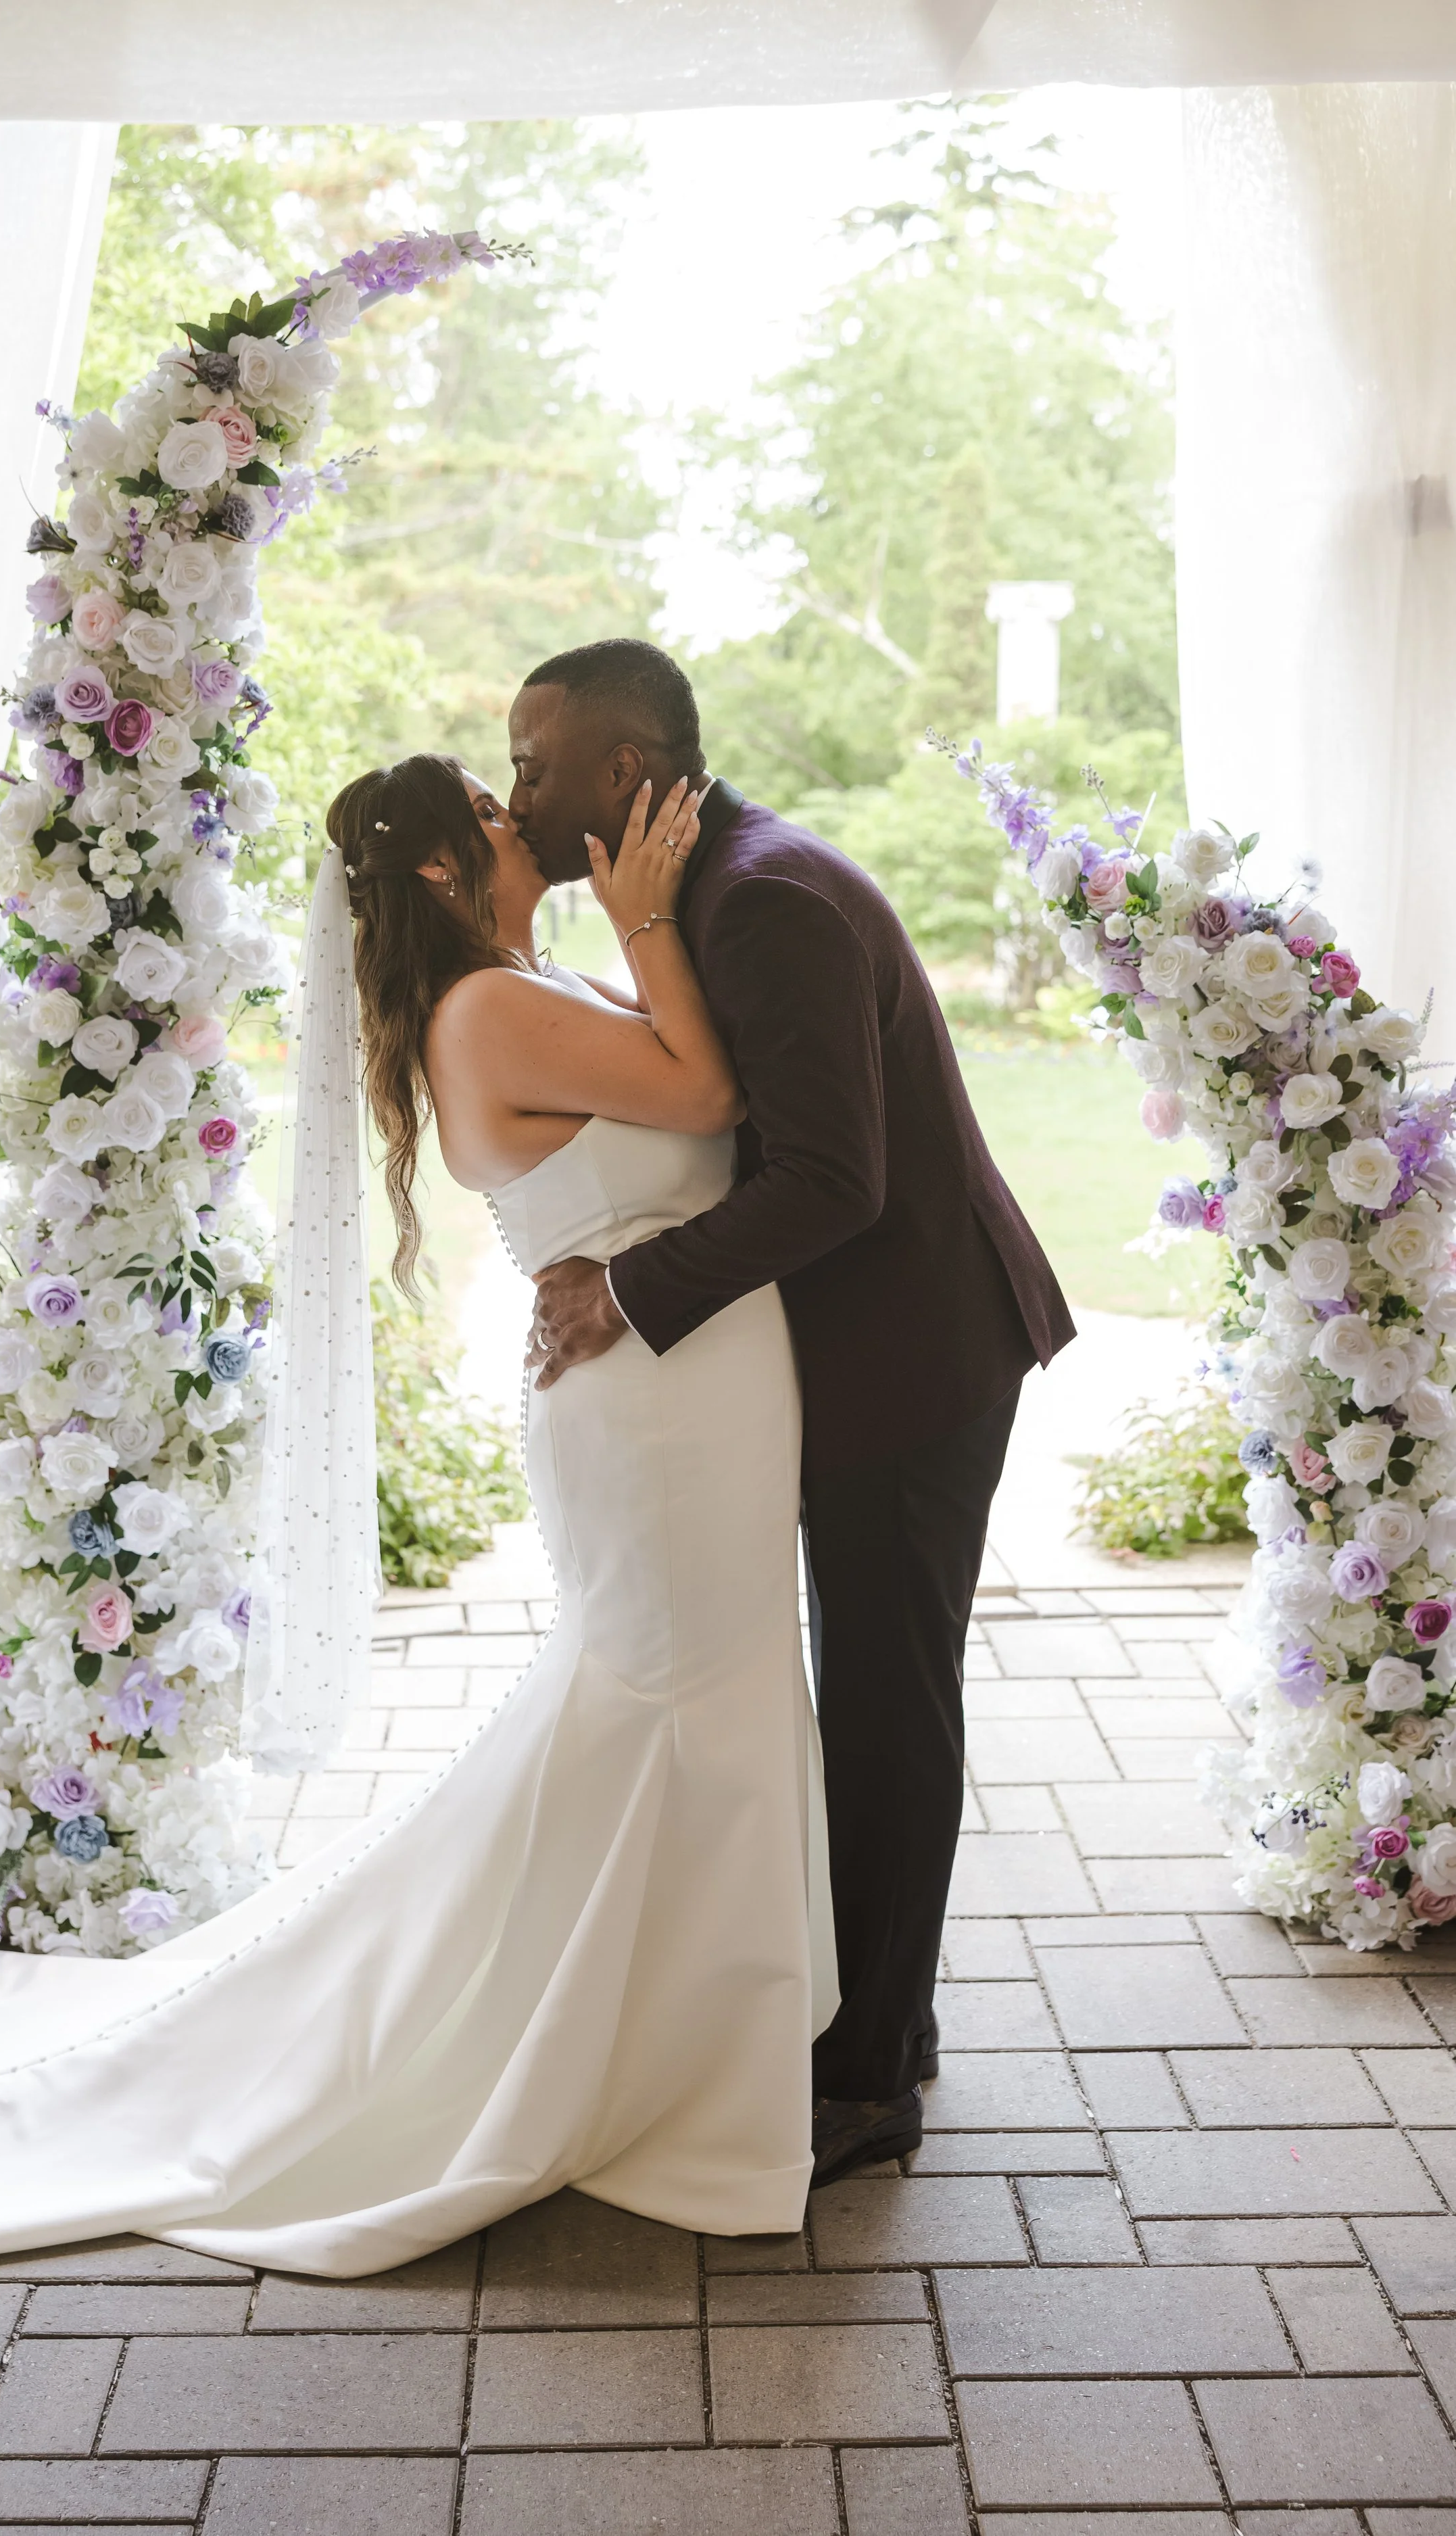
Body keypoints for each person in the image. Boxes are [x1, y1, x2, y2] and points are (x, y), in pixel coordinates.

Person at [0, 752, 836, 2289]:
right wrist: (654, 914)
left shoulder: (532, 980)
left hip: (690, 1386)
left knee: (688, 1694)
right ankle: (661, 2073)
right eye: (486, 815)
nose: (513, 821)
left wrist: (636, 935)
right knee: (674, 1696)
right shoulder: (485, 1009)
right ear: (434, 879)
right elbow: (709, 1094)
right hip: (655, 1412)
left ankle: (679, 2035)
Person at [510, 638, 1075, 2185]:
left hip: (915, 1352)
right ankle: (887, 2016)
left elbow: (836, 1179)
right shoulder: (706, 891)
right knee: (874, 1683)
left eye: (533, 766)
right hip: (884, 1341)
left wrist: (624, 1296)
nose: (515, 794)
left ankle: (874, 2076)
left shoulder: (759, 900)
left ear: (623, 775)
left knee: (890, 1698)